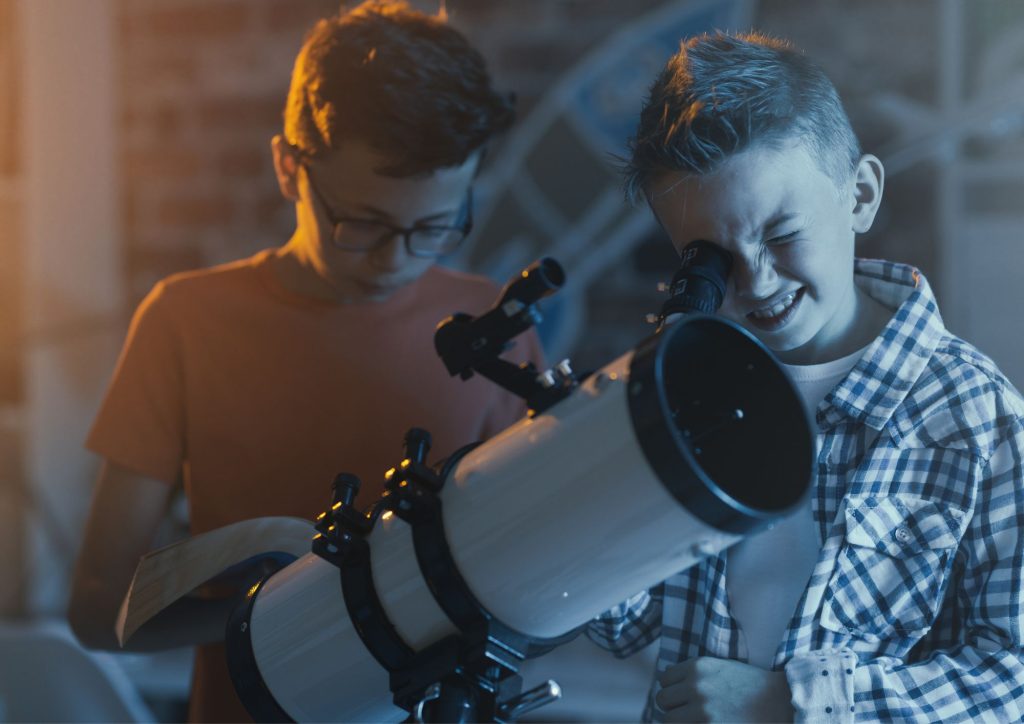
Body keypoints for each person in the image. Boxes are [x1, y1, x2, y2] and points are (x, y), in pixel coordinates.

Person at [68, 2, 540, 721]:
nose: (395, 260)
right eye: (363, 223)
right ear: (289, 167)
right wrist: (281, 613)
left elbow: (537, 575)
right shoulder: (184, 321)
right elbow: (100, 611)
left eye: (434, 227)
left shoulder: (494, 328)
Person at [589, 32, 1024, 722]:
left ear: (859, 195)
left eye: (783, 235)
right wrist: (577, 467)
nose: (756, 281)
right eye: (712, 260)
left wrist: (791, 706)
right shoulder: (686, 391)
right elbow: (626, 624)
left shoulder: (977, 415)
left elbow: (1012, 678)